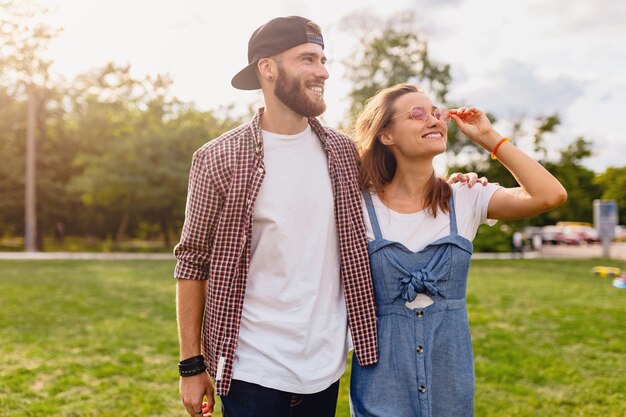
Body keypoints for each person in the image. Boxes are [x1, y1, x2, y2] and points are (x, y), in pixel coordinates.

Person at [174, 16, 484, 417]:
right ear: (267, 68)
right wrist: (191, 365)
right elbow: (192, 261)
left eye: (323, 59)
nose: (323, 71)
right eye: (308, 59)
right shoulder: (218, 158)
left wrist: (456, 181)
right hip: (251, 368)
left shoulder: (343, 153)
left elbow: (401, 184)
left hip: (325, 369)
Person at [349, 83, 567, 417]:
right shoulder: (358, 207)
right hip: (381, 385)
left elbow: (550, 195)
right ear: (386, 135)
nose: (434, 120)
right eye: (417, 114)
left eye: (437, 112)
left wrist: (490, 138)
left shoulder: (466, 197)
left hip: (451, 385)